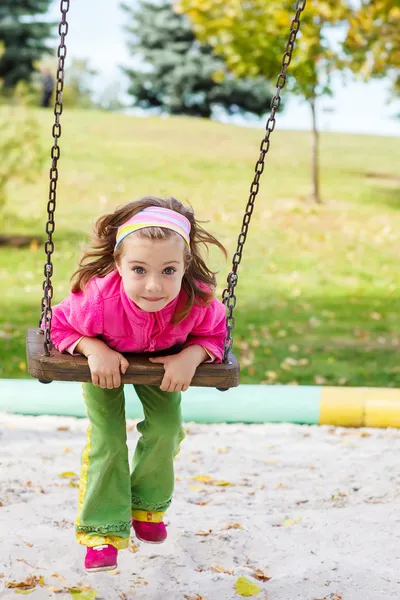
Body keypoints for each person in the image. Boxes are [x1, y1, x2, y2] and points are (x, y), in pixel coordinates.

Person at [48, 196, 228, 573]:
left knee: (166, 429)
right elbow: (58, 326)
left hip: (165, 364)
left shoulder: (196, 301)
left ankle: (147, 507)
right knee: (108, 439)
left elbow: (214, 334)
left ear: (185, 266)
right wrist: (91, 346)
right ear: (118, 265)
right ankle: (102, 531)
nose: (153, 286)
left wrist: (192, 355)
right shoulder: (98, 300)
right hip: (104, 365)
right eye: (138, 269)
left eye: (168, 271)